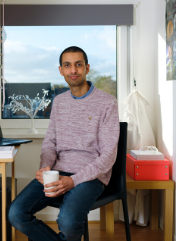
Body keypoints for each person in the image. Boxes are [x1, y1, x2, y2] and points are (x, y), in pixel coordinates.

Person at [8, 46, 120, 241]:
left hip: (90, 176)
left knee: (68, 223)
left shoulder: (107, 103)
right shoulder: (59, 102)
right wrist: (45, 166)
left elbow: (109, 155)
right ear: (61, 70)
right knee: (16, 213)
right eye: (67, 65)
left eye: (78, 65)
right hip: (57, 172)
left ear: (87, 68)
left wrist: (74, 181)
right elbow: (50, 142)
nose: (73, 70)